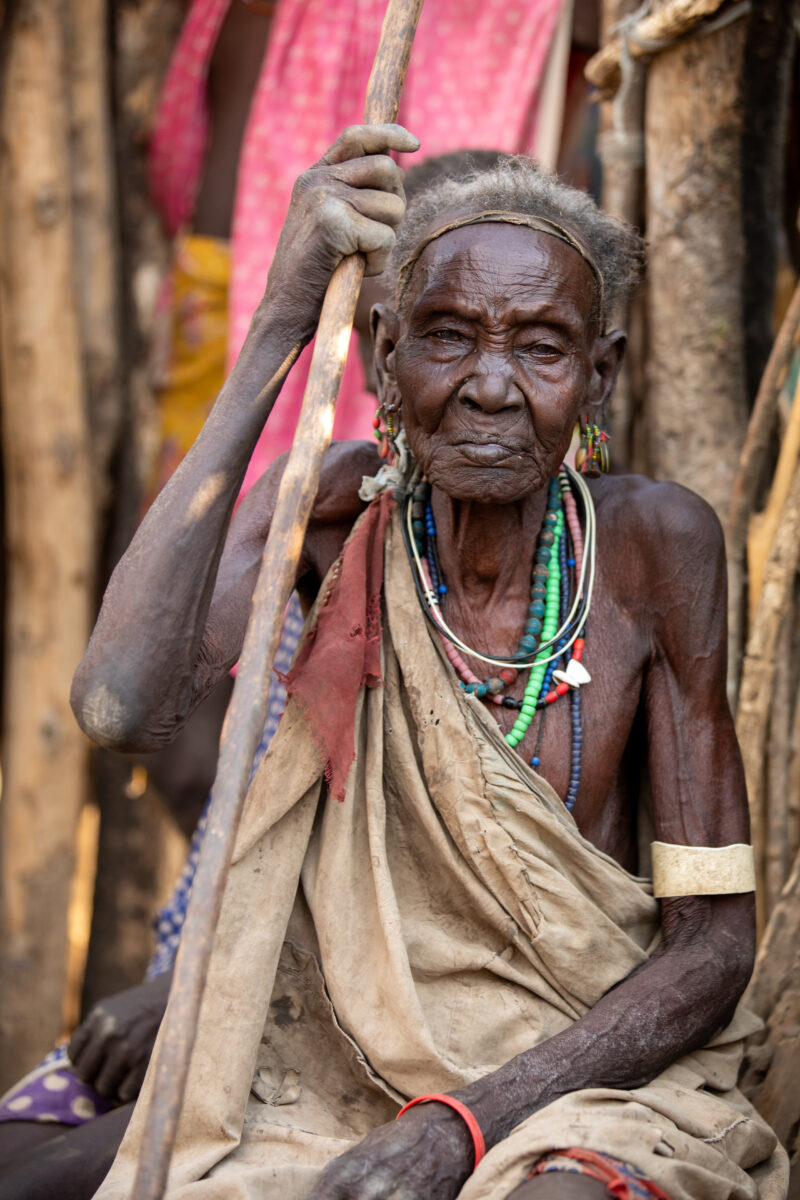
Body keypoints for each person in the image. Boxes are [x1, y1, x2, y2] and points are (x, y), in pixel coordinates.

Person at [71, 124, 786, 1200]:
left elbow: (714, 947)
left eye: (539, 349)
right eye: (446, 337)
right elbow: (119, 703)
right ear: (381, 354)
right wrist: (275, 323)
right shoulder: (332, 512)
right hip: (335, 1064)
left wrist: (461, 1126)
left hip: (579, 1075)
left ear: (598, 378)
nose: (489, 387)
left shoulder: (651, 546)